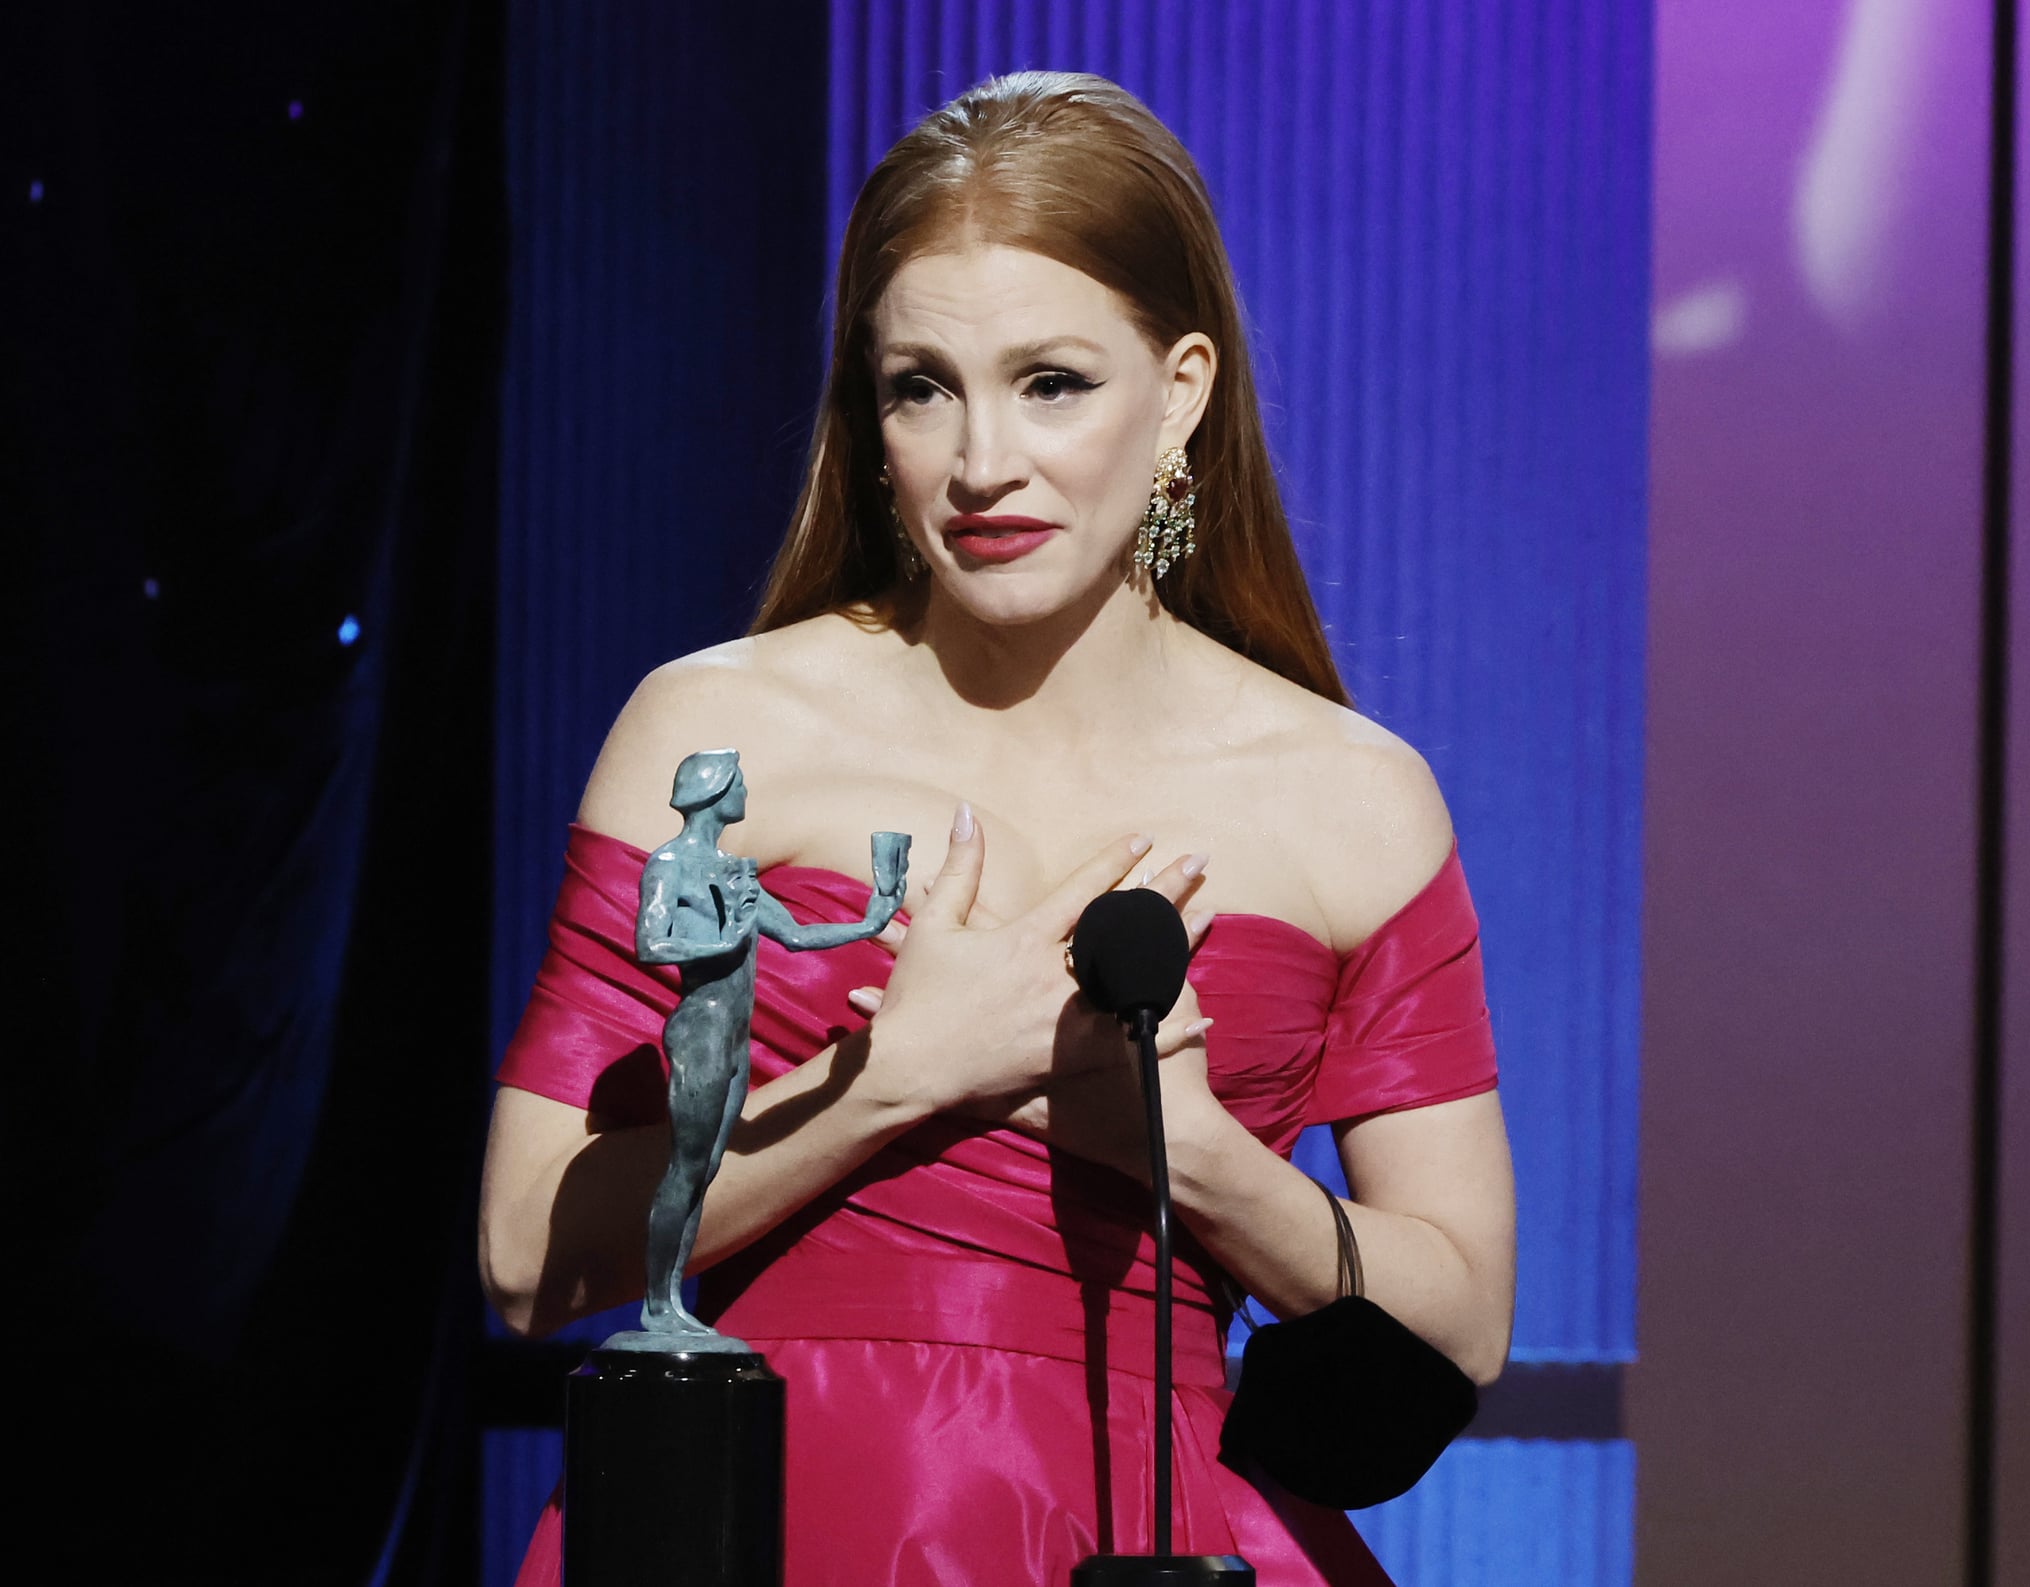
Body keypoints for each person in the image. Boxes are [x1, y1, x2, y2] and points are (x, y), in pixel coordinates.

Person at [480, 69, 1516, 1587]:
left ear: (1180, 395)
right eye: (921, 385)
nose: (981, 464)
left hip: (1161, 1538)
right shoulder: (722, 734)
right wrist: (888, 1079)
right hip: (743, 1526)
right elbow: (523, 1255)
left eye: (1050, 382)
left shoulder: (1351, 795)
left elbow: (1463, 1312)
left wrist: (1190, 1155)